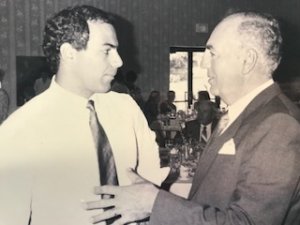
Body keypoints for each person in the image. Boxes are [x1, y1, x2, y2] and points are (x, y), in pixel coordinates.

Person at [84, 12, 300, 225]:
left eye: (212, 54)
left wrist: (153, 203)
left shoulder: (279, 124)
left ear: (247, 61)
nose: (204, 64)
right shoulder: (246, 112)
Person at [0, 5, 168, 225]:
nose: (119, 61)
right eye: (107, 50)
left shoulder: (127, 108)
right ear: (69, 53)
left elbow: (151, 179)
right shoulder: (21, 129)